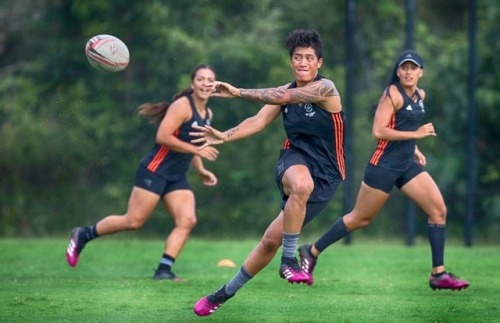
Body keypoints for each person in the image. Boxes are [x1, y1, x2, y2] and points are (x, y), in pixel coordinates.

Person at [191, 29, 345, 316]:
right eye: (297, 57)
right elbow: (258, 121)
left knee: (271, 239)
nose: (302, 62)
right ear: (291, 61)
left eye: (309, 58)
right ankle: (289, 261)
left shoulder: (326, 89)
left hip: (327, 175)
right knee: (301, 184)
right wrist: (224, 136)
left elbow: (282, 95)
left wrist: (238, 92)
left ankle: (221, 294)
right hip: (294, 160)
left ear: (319, 63)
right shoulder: (285, 93)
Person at [297, 50, 470, 291]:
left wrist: (415, 147)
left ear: (421, 72)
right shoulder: (392, 94)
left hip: (407, 163)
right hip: (384, 165)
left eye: (414, 68)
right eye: (404, 68)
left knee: (438, 210)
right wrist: (416, 135)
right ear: (398, 72)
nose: (409, 72)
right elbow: (379, 131)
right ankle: (311, 251)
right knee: (360, 218)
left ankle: (438, 274)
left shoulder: (421, 94)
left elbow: (402, 125)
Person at [65, 64, 220, 281]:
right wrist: (198, 150)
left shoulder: (208, 113)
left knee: (187, 220)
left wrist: (201, 169)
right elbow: (163, 137)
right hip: (154, 170)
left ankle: (164, 270)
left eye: (210, 80)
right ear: (192, 83)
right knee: (133, 221)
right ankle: (84, 234)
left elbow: (193, 144)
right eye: (201, 79)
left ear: (215, 85)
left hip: (176, 177)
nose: (205, 83)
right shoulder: (182, 106)